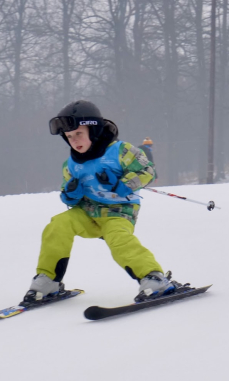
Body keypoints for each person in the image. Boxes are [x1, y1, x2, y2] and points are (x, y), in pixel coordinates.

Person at [24, 100, 178, 304]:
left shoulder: (121, 151)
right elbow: (66, 194)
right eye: (69, 137)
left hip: (118, 212)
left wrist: (124, 184)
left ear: (94, 130)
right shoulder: (71, 164)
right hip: (87, 212)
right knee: (58, 225)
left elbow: (148, 171)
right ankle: (48, 280)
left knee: (118, 239)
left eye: (79, 134)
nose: (74, 141)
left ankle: (154, 277)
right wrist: (71, 193)